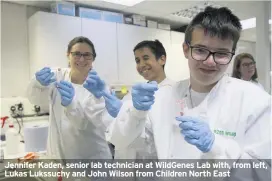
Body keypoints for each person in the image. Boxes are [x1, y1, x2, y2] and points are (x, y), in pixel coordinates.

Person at [108, 6, 271, 180]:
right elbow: (124, 143)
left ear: (232, 54)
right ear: (186, 49)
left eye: (222, 54)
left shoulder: (255, 100)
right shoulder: (163, 98)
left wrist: (216, 146)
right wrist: (135, 113)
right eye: (200, 50)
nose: (210, 62)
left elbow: (264, 171)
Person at [27, 36, 112, 160]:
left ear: (93, 57)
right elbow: (36, 100)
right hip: (59, 154)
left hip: (92, 156)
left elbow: (88, 124)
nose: (82, 59)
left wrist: (71, 105)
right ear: (68, 55)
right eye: (76, 54)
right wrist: (37, 84)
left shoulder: (99, 86)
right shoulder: (58, 76)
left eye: (87, 55)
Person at [104, 40, 175, 159]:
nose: (141, 64)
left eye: (145, 58)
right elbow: (117, 134)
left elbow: (163, 137)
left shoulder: (175, 93)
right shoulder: (136, 93)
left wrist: (130, 118)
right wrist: (120, 114)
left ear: (162, 59)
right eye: (137, 60)